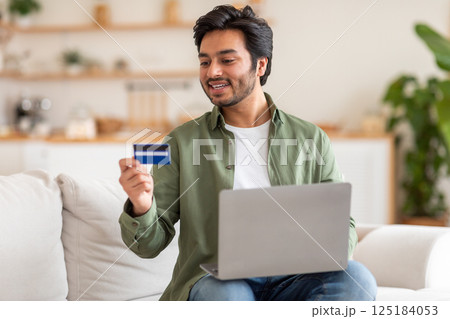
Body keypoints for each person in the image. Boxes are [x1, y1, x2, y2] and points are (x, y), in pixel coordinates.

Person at [118, 4, 377, 301]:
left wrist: (327, 255)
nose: (213, 72)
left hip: (293, 281)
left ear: (260, 65)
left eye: (227, 60)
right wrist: (141, 204)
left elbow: (342, 223)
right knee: (228, 292)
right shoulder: (180, 142)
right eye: (205, 62)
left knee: (357, 278)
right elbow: (148, 245)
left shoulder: (310, 138)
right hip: (217, 281)